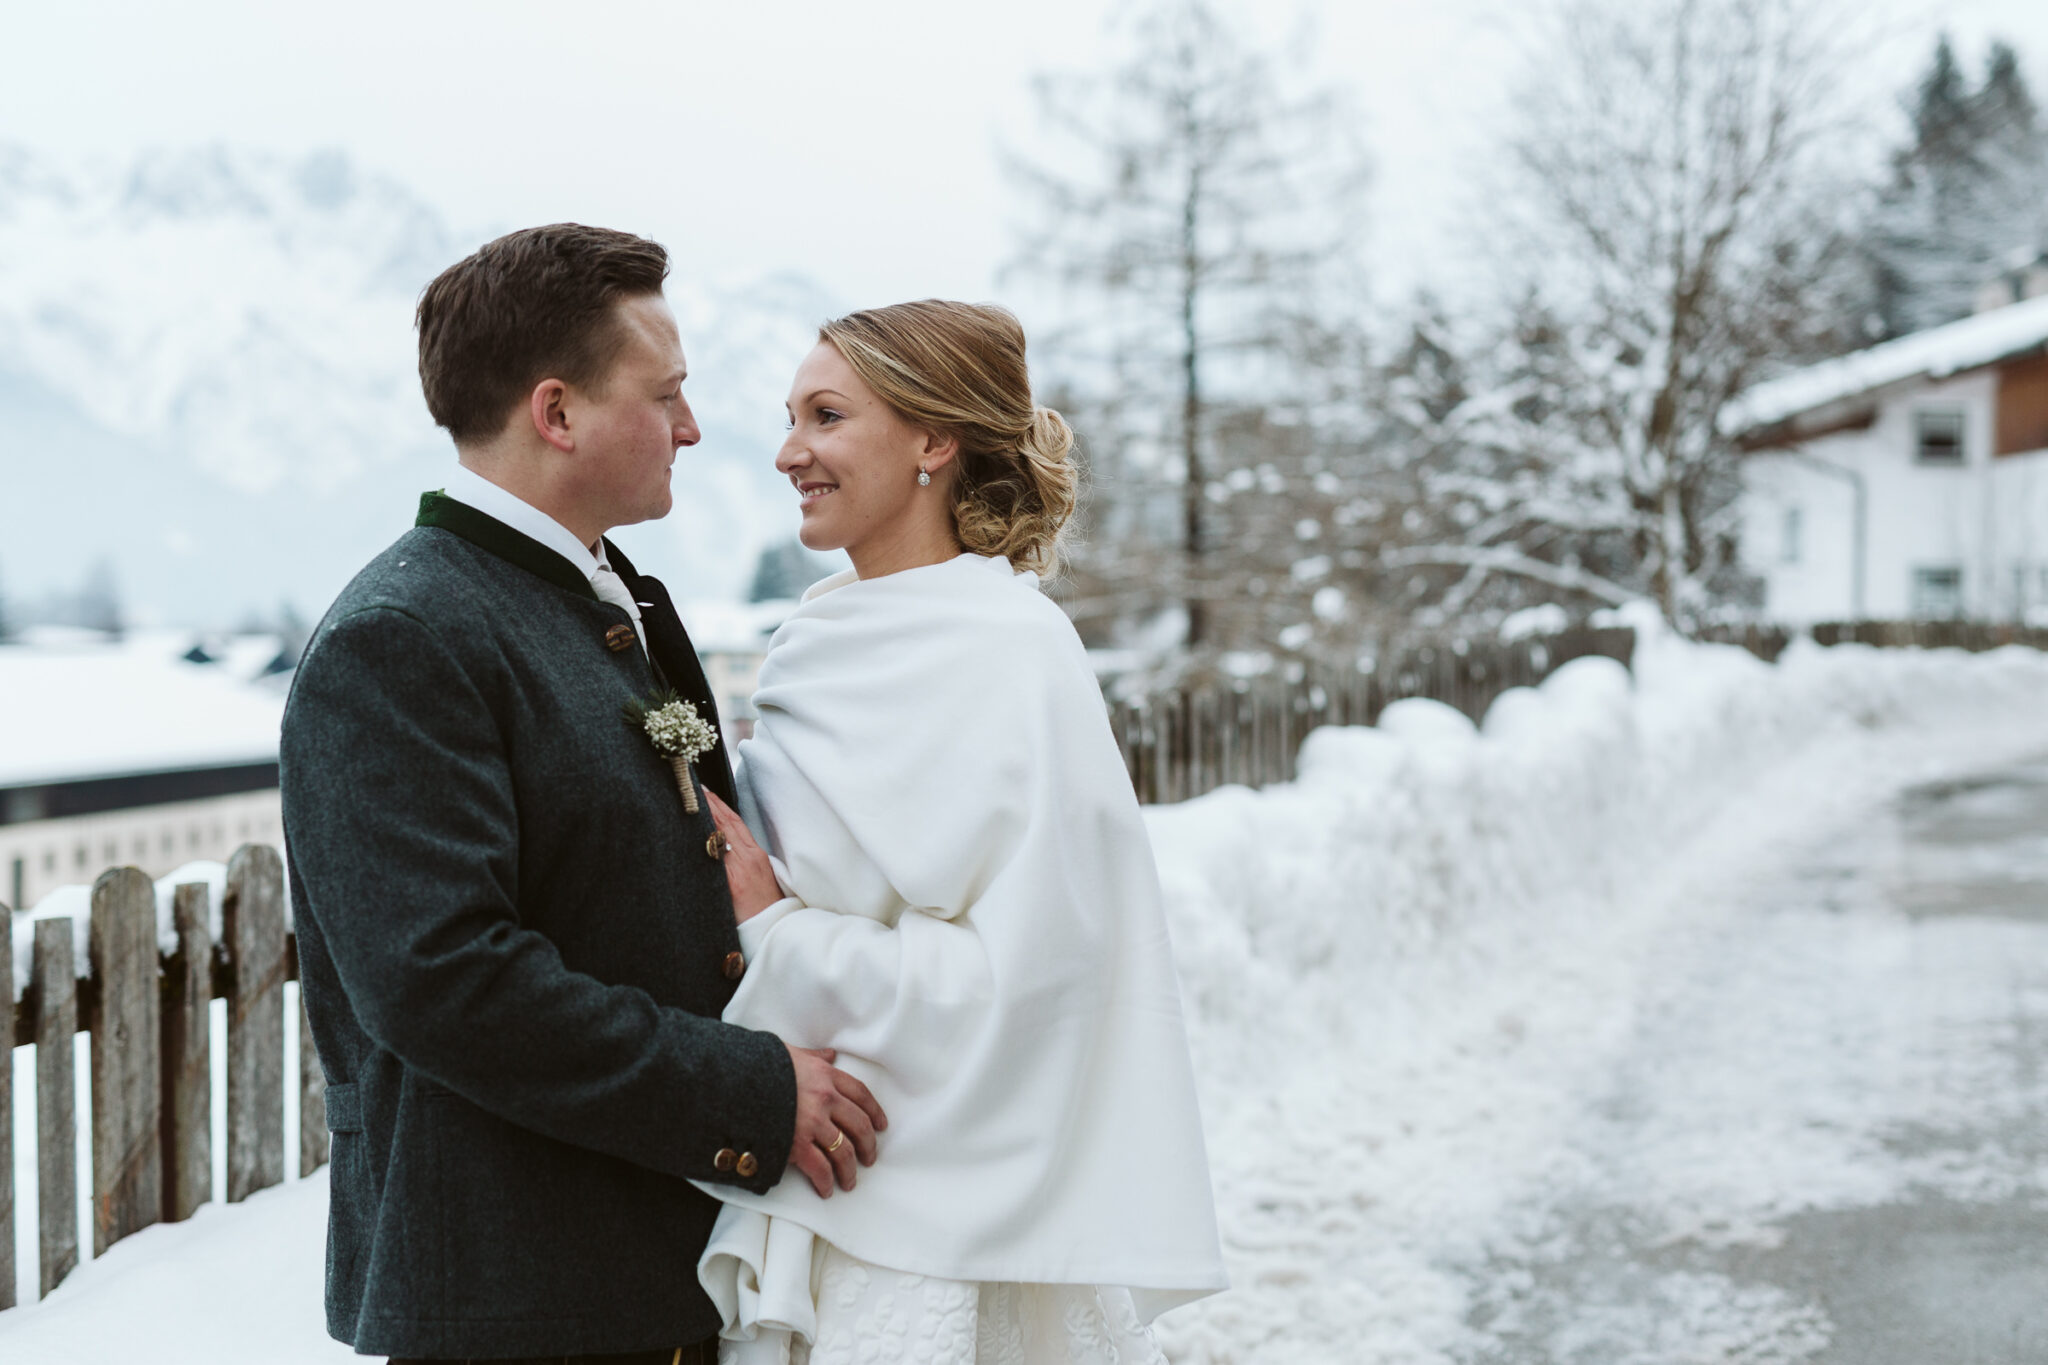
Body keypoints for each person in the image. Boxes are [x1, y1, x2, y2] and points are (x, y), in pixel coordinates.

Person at [279, 223, 886, 1365]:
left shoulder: (605, 596)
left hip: (642, 1277)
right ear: (556, 414)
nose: (692, 428)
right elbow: (445, 981)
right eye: (665, 395)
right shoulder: (401, 638)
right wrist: (744, 1097)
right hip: (518, 1303)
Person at [693, 300, 1227, 1364]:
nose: (789, 451)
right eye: (790, 418)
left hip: (945, 1223)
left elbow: (1034, 981)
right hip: (804, 1183)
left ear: (932, 442)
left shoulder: (1017, 655)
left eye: (826, 416)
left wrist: (782, 938)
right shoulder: (805, 646)